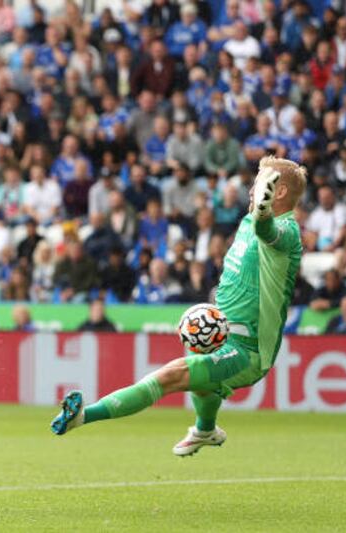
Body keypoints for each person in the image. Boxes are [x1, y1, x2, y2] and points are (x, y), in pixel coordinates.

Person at [51, 156, 305, 458]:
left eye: (261, 183)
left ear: (278, 192)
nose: (253, 189)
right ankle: (206, 429)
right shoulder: (249, 220)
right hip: (221, 335)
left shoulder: (288, 233)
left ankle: (83, 416)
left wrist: (264, 216)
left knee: (171, 376)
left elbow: (269, 233)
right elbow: (258, 225)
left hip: (248, 350)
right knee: (204, 386)